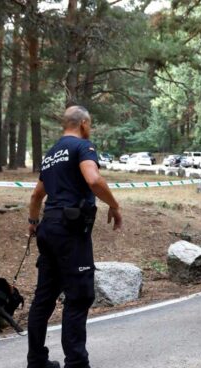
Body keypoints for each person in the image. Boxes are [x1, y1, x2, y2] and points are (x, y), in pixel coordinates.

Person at [27, 105, 122, 368]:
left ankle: (36, 361)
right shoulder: (83, 147)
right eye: (89, 124)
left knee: (43, 299)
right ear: (83, 123)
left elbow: (37, 196)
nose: (89, 129)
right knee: (79, 296)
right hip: (70, 232)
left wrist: (33, 222)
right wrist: (115, 206)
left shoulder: (51, 153)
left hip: (48, 229)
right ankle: (77, 363)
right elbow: (94, 180)